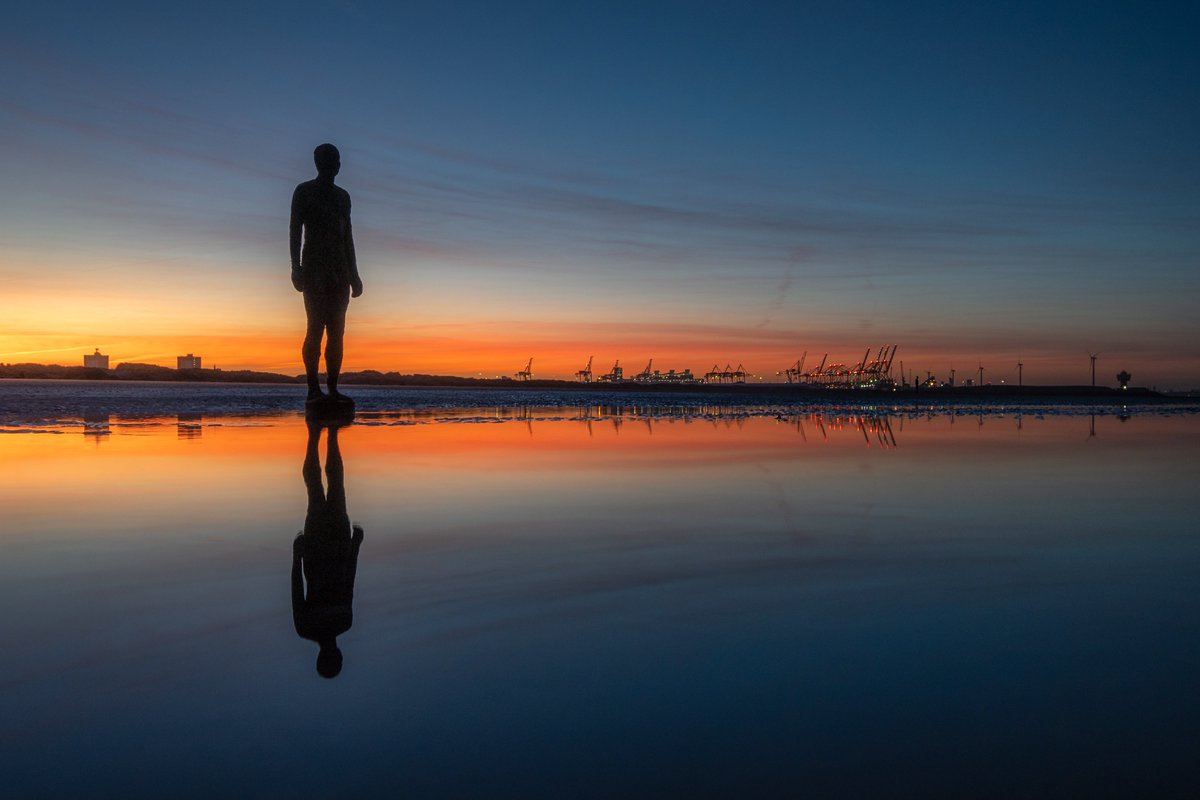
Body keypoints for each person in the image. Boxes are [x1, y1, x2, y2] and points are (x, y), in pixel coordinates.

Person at [290, 143, 363, 402]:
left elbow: (348, 237)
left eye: (337, 160)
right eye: (331, 160)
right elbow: (295, 231)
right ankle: (312, 389)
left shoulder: (343, 197)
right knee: (314, 329)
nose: (335, 165)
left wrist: (354, 274)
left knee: (337, 332)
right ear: (319, 163)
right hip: (314, 270)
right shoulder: (304, 191)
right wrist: (295, 267)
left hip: (339, 272)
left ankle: (332, 387)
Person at [292, 420, 364, 678]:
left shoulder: (312, 627)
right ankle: (328, 434)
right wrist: (355, 547)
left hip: (320, 549)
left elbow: (297, 591)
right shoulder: (335, 624)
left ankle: (319, 435)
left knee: (322, 488)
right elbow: (349, 582)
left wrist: (296, 558)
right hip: (331, 546)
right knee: (327, 487)